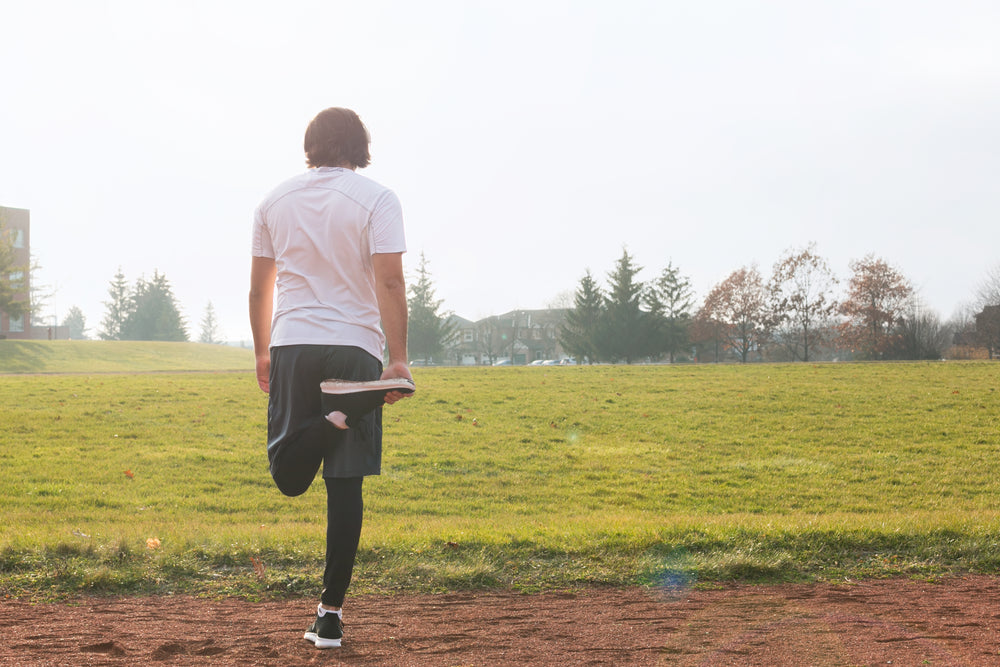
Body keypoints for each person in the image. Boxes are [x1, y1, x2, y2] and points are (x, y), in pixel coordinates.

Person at [249, 107, 412, 649]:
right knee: (344, 488)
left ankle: (330, 420)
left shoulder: (273, 201)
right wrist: (398, 360)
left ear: (311, 145)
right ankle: (330, 615)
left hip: (293, 342)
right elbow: (389, 281)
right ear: (358, 147)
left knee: (288, 474)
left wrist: (261, 353)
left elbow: (258, 290)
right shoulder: (378, 200)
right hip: (355, 348)